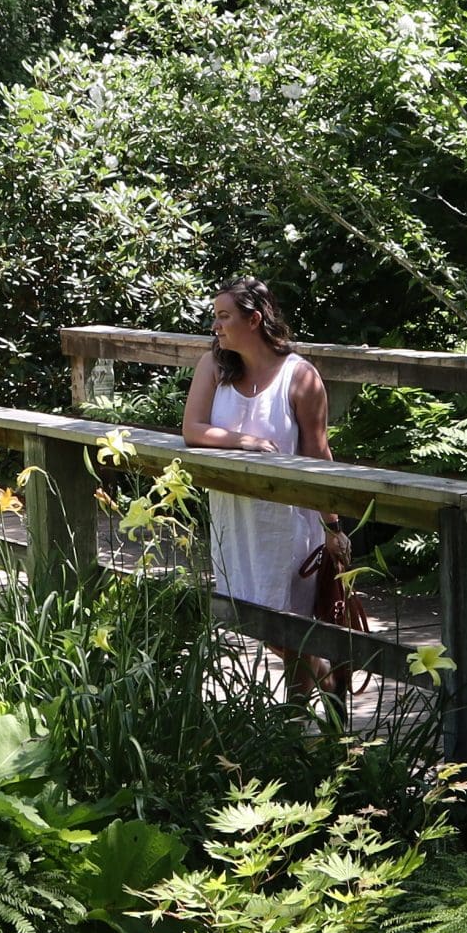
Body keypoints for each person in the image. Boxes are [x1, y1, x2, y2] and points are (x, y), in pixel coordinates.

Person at [182, 276, 340, 699]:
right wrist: (242, 441)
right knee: (252, 619)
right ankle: (320, 685)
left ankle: (307, 715)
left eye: (223, 316)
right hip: (235, 519)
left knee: (289, 627)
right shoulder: (214, 366)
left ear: (253, 320)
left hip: (288, 522)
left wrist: (333, 526)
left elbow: (318, 455)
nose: (215, 326)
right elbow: (192, 429)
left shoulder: (300, 376)